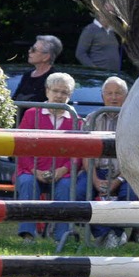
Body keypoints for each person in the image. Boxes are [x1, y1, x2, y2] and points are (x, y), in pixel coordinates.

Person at [15, 72, 82, 243]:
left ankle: (61, 237)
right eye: (56, 91)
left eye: (64, 92)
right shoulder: (31, 114)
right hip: (31, 170)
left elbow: (79, 153)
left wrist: (64, 169)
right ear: (47, 92)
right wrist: (34, 170)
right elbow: (21, 147)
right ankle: (28, 235)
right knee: (27, 182)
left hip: (63, 172)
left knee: (67, 185)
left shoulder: (76, 120)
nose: (59, 96)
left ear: (70, 95)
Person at [77, 76, 138, 248]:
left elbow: (136, 156)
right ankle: (107, 234)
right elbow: (85, 153)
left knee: (130, 196)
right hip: (96, 171)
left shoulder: (135, 120)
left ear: (127, 96)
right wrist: (95, 179)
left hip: (127, 173)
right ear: (102, 96)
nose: (113, 97)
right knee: (79, 192)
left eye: (118, 93)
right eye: (109, 93)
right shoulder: (91, 119)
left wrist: (118, 180)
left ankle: (114, 234)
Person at [75, 0, 121, 70]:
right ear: (104, 7)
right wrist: (95, 69)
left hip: (114, 76)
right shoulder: (90, 30)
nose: (115, 8)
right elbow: (80, 53)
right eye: (111, 4)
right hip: (99, 78)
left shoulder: (113, 31)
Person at [13, 35, 63, 102]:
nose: (29, 51)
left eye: (34, 50)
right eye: (31, 48)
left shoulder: (54, 79)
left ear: (46, 57)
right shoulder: (27, 75)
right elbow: (14, 100)